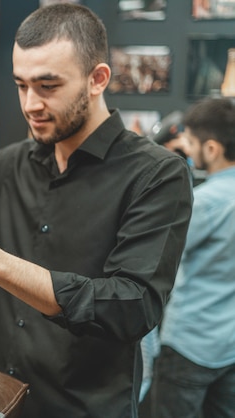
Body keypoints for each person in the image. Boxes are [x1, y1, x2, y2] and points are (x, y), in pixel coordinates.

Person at [0, 4, 193, 417]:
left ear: (97, 79)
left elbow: (131, 305)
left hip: (82, 408)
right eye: (21, 85)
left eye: (48, 86)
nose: (30, 103)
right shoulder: (11, 164)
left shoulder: (158, 175)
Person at [152, 98, 235, 418]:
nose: (187, 147)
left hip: (190, 344)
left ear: (212, 149)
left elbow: (159, 251)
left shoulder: (206, 203)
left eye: (193, 143)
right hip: (229, 345)